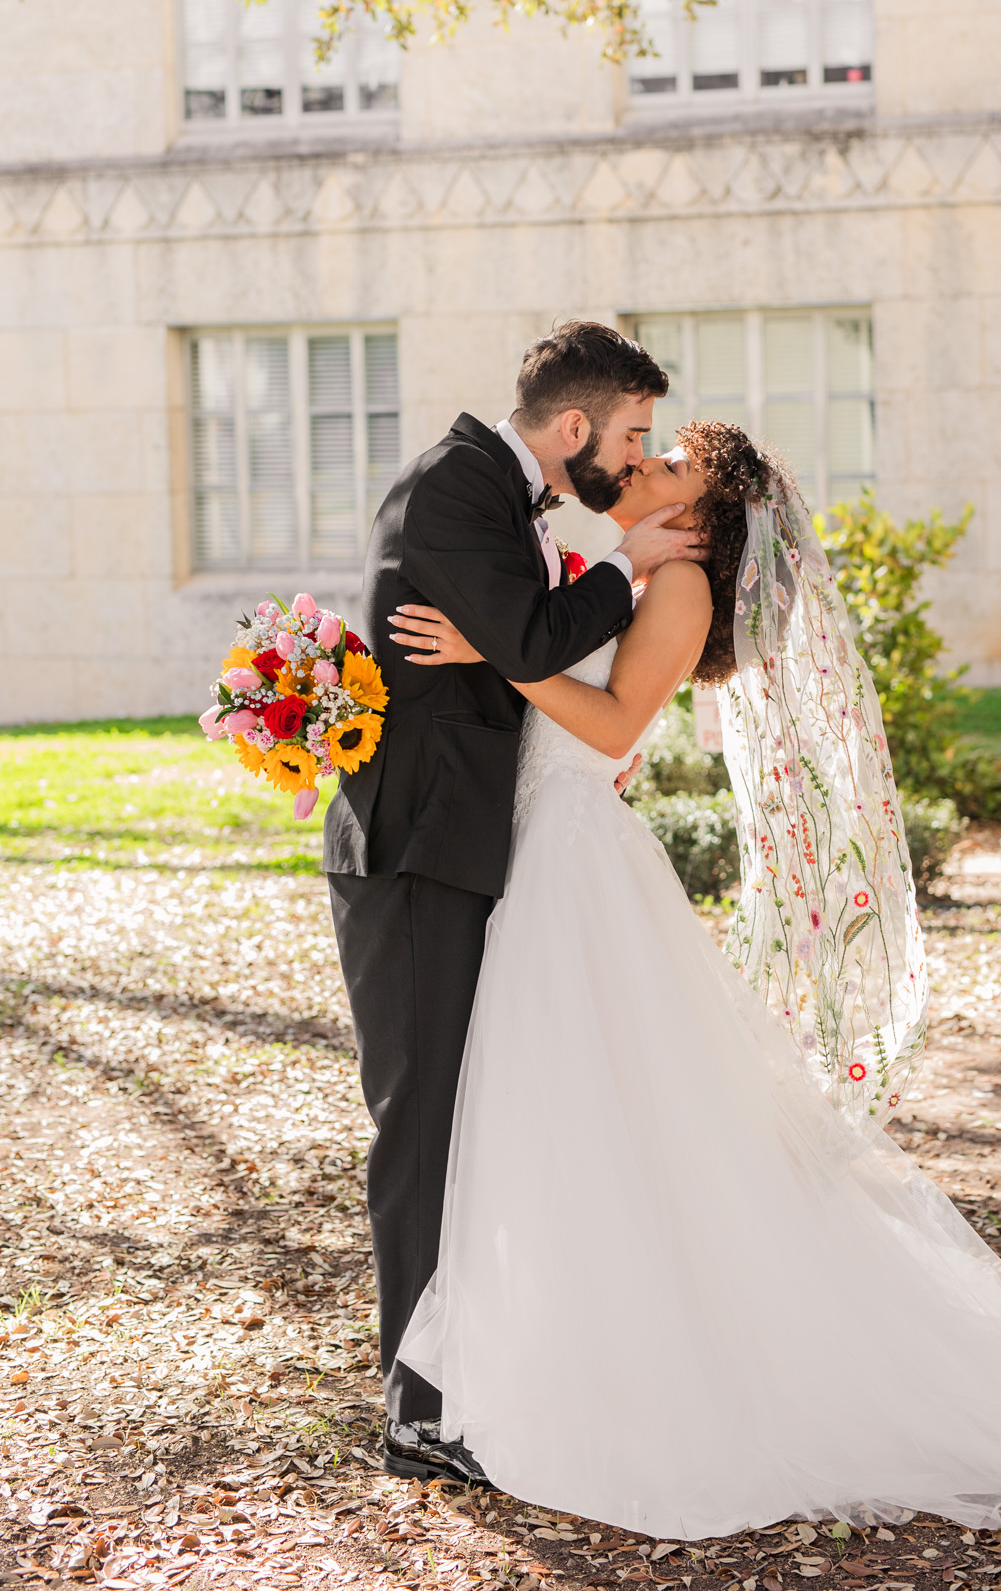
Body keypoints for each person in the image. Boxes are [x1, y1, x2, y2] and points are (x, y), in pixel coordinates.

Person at [387, 419, 1001, 1549]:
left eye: (669, 463)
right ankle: (564, 1350)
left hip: (577, 868)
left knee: (605, 1117)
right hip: (551, 856)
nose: (642, 466)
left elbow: (609, 719)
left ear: (702, 518)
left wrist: (494, 653)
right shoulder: (635, 580)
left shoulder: (676, 587)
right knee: (581, 1124)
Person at [322, 321, 705, 1484]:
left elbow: (520, 653)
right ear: (574, 426)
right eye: (631, 433)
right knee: (424, 1118)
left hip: (474, 845)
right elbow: (536, 634)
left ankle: (467, 1373)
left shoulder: (501, 495)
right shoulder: (456, 484)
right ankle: (416, 1405)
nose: (634, 457)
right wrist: (616, 570)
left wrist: (503, 644)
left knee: (476, 1118)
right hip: (419, 848)